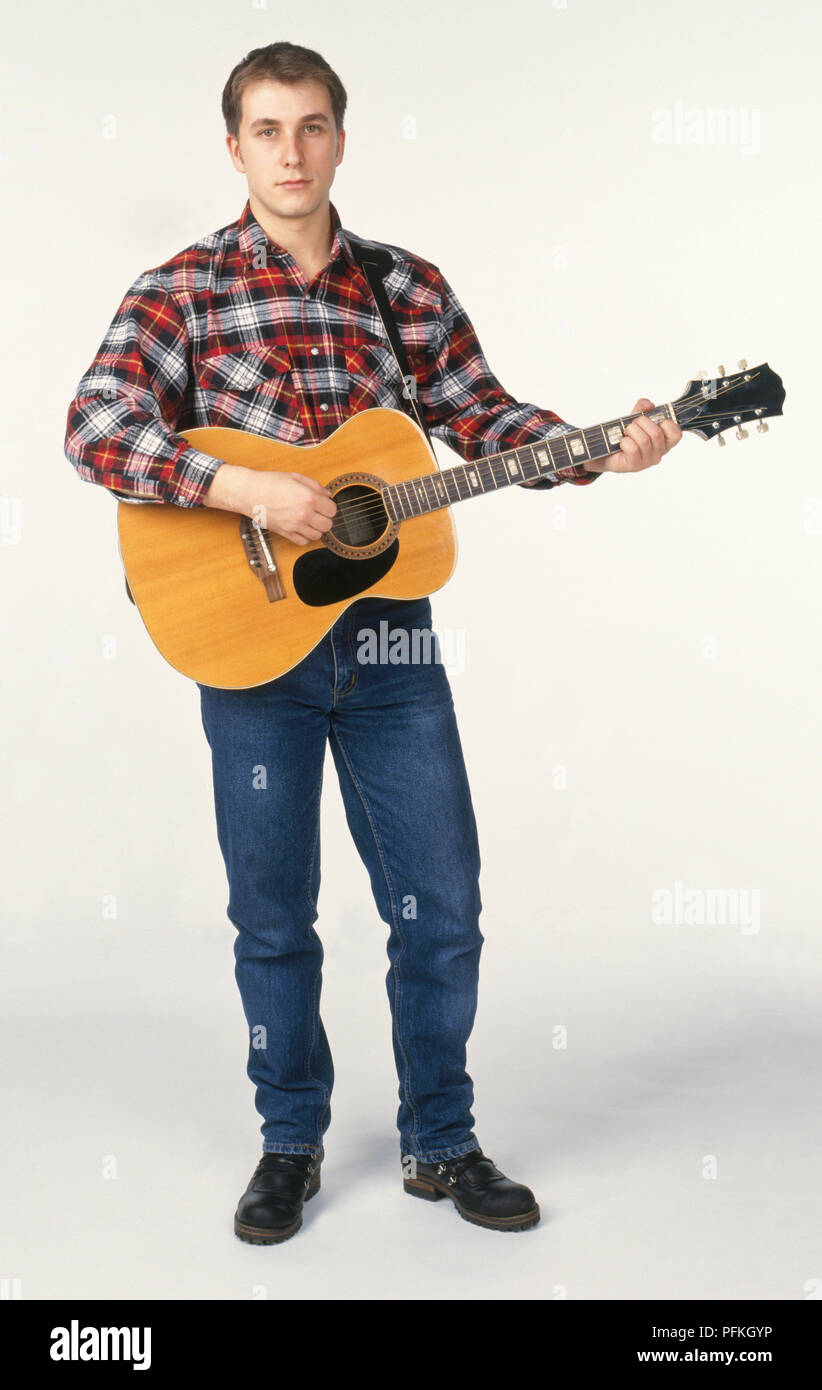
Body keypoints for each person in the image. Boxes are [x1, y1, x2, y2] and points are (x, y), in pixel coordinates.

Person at [63, 41, 682, 1245]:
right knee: (274, 915)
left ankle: (439, 1142)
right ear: (234, 147)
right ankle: (288, 1140)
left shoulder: (407, 287)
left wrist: (599, 442)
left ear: (343, 139)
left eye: (311, 127)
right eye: (265, 129)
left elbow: (481, 416)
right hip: (252, 654)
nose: (290, 152)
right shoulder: (179, 289)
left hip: (393, 649)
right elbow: (95, 429)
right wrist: (245, 490)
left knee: (441, 902)